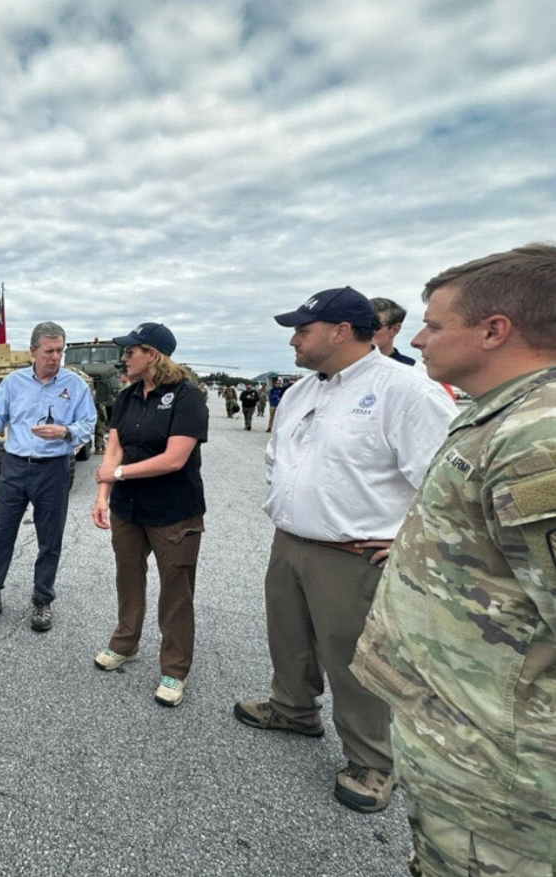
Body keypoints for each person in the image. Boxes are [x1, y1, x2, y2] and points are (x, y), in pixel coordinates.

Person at [352, 244, 556, 875]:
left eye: (435, 324)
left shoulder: (536, 439)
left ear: (495, 330)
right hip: (464, 739)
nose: (417, 337)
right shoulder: (499, 419)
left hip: (503, 776)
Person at [233, 286, 457, 814]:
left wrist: (408, 541)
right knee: (289, 636)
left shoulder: (406, 391)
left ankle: (372, 762)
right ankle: (293, 710)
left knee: (355, 658)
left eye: (302, 331)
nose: (293, 340)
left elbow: (444, 484)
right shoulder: (301, 391)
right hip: (291, 541)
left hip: (355, 553)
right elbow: (277, 456)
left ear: (340, 331)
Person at [91, 323, 206, 707]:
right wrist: (102, 495)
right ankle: (126, 643)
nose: (123, 358)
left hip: (173, 511)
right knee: (128, 577)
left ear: (152, 355)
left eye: (130, 351)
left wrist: (118, 474)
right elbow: (114, 449)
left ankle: (174, 669)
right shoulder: (127, 396)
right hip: (128, 508)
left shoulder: (188, 397)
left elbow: (175, 459)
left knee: (175, 590)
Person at [0, 321, 97, 632]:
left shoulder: (74, 385)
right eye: (49, 351)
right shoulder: (14, 382)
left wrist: (64, 431)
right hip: (14, 467)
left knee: (49, 538)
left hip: (53, 469)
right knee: (2, 534)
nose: (55, 357)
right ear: (34, 351)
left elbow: (88, 425)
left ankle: (42, 599)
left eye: (59, 351)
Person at [369, 296, 416, 365]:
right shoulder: (348, 366)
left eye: (374, 325)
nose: (364, 330)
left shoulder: (415, 370)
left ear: (394, 329)